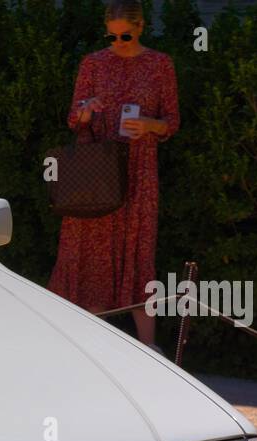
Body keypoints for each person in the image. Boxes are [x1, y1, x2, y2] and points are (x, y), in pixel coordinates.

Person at [47, 1, 179, 349]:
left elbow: (172, 122)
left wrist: (149, 125)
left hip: (139, 172)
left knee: (138, 253)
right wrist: (87, 112)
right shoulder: (92, 63)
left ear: (140, 27)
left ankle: (149, 348)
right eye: (112, 35)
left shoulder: (160, 64)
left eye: (125, 34)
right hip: (96, 173)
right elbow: (73, 120)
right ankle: (89, 347)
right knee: (90, 256)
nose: (118, 42)